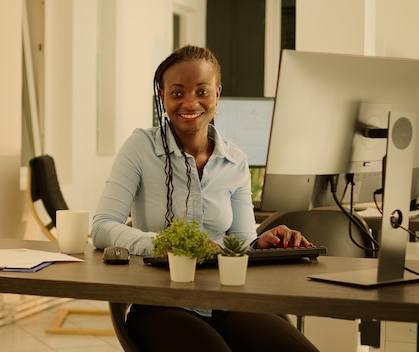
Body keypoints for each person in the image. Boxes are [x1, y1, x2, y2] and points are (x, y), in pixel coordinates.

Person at [91, 45, 318, 351]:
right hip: (161, 304)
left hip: (227, 299)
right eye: (177, 92)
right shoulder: (141, 148)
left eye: (202, 91)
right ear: (162, 96)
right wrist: (162, 244)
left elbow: (240, 240)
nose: (190, 102)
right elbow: (103, 226)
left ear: (217, 94)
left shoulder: (234, 159)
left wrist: (261, 242)